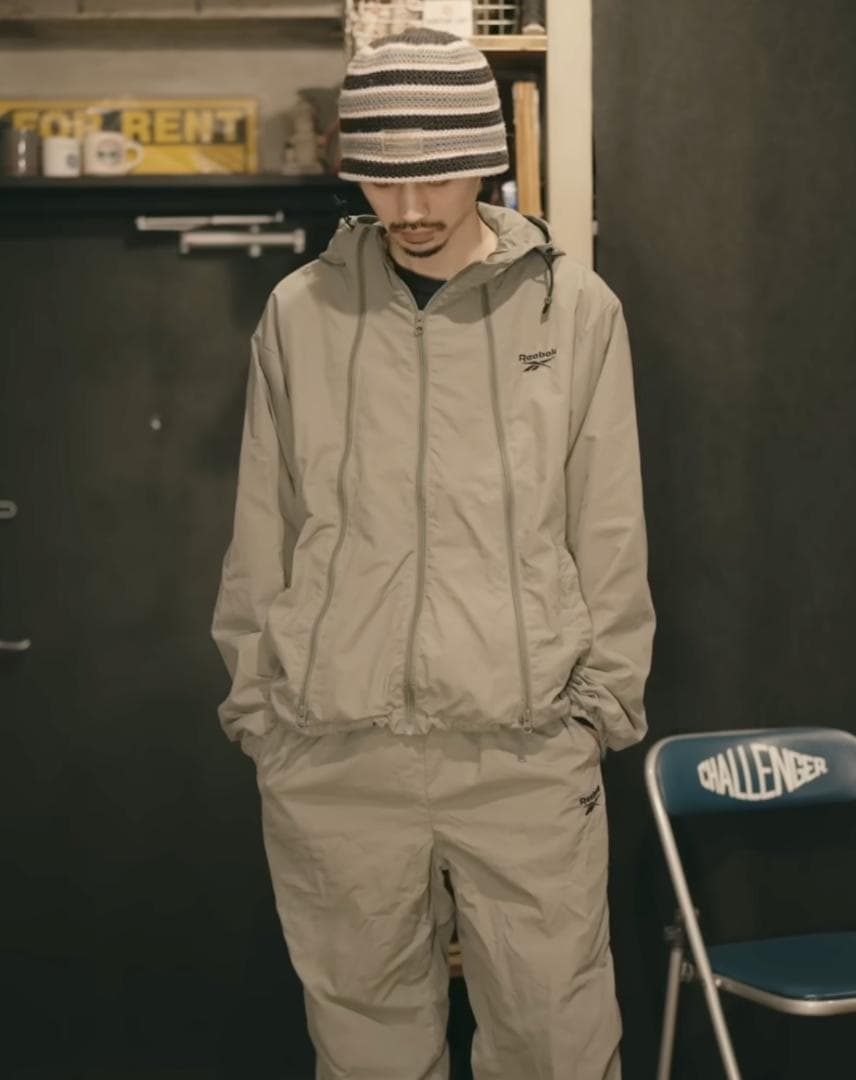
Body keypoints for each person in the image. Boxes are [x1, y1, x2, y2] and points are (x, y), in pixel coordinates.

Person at [211, 27, 655, 1080]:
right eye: (382, 180)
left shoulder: (572, 309)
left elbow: (609, 524)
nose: (409, 208)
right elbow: (264, 525)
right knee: (364, 1050)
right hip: (334, 749)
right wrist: (260, 711)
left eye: (437, 178)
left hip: (523, 749)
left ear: (486, 162)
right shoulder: (300, 312)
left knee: (557, 1048)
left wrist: (596, 711)